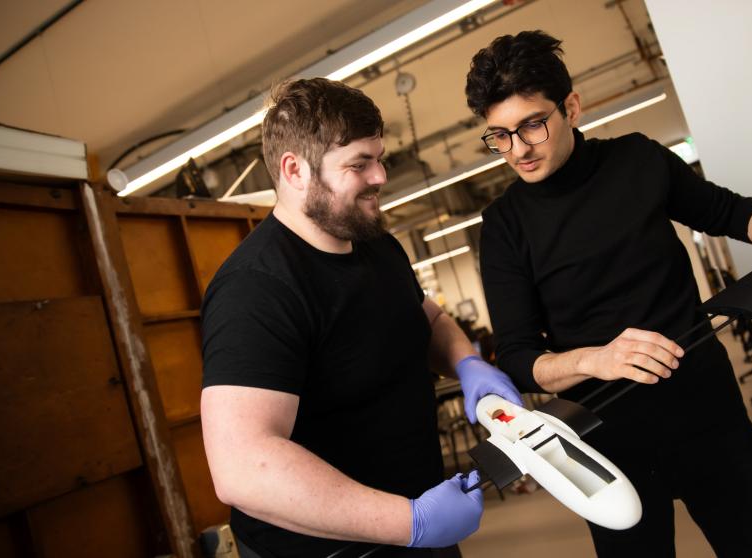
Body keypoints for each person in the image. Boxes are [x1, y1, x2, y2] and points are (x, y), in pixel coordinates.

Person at [465, 30, 752, 557]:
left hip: (708, 414)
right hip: (604, 441)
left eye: (532, 125)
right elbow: (518, 358)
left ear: (572, 107)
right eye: (499, 136)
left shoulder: (638, 161)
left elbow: (727, 212)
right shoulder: (504, 226)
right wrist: (598, 359)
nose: (517, 150)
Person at [200, 77, 522, 558]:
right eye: (359, 164)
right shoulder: (256, 289)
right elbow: (243, 467)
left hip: (417, 521)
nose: (380, 177)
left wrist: (465, 361)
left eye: (380, 158)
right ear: (294, 170)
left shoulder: (375, 243)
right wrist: (408, 522)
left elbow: (425, 317)